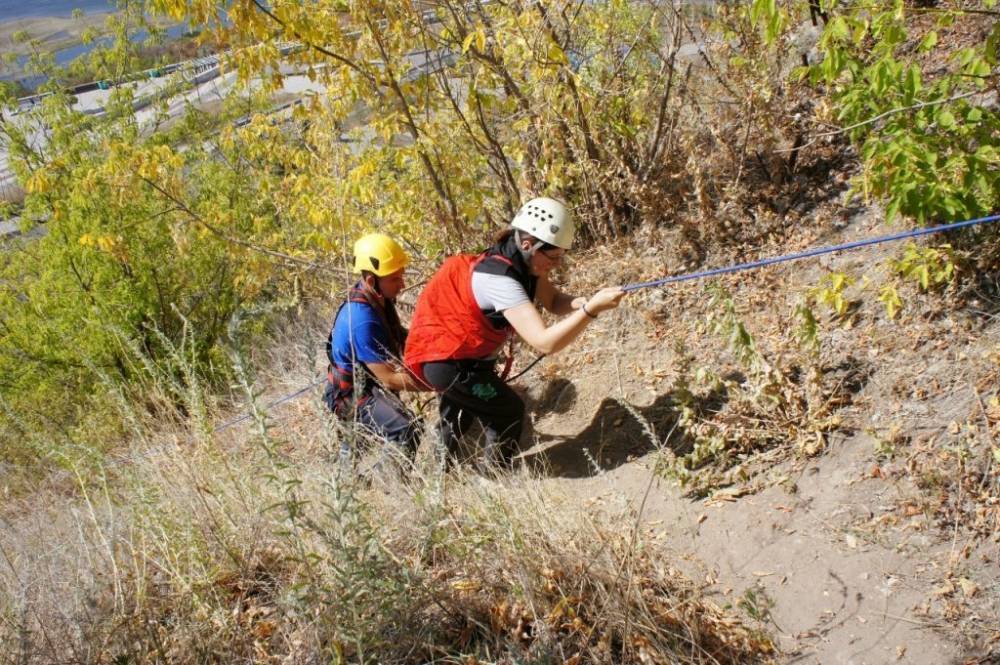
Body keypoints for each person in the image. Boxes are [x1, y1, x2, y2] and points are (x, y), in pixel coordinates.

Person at [404, 197, 626, 468]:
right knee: (507, 411)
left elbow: (554, 301)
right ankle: (493, 478)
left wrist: (581, 303)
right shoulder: (501, 280)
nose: (556, 264)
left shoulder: (524, 263)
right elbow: (544, 343)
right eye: (553, 257)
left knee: (459, 419)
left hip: (455, 359)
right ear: (527, 244)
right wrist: (591, 311)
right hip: (450, 363)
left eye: (561, 256)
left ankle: (435, 478)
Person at [324, 233, 428, 463]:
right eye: (395, 279)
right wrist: (437, 382)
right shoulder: (362, 319)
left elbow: (400, 337)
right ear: (371, 280)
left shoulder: (379, 299)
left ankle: (346, 472)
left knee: (355, 447)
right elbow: (389, 379)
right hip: (352, 394)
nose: (402, 284)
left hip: (364, 384)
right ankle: (389, 486)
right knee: (405, 428)